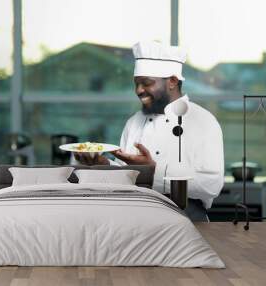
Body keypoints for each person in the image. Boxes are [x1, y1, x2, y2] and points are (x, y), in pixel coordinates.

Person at [74, 42, 224, 222]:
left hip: (187, 221)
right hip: (135, 220)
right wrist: (103, 164)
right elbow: (126, 176)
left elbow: (212, 185)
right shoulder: (134, 122)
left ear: (172, 81)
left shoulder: (202, 121)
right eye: (136, 84)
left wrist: (153, 172)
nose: (139, 91)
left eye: (147, 83)